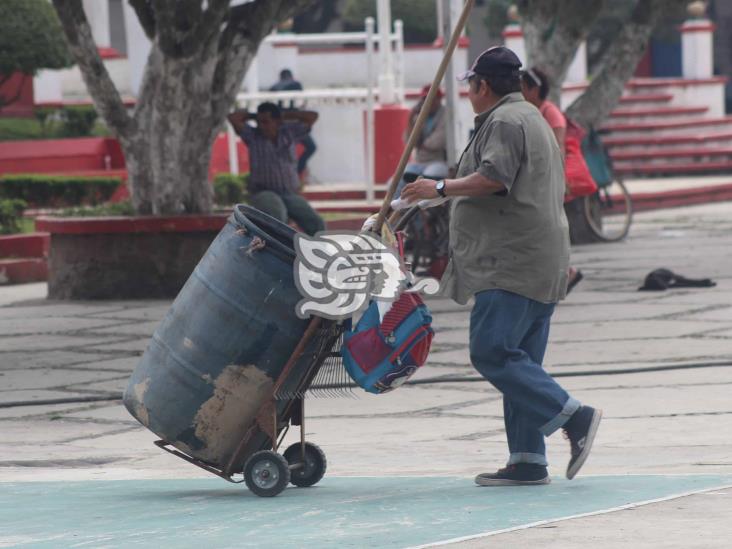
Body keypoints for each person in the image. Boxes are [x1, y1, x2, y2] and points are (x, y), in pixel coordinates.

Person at [401, 46, 602, 486]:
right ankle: (528, 459)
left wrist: (439, 187)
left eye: (471, 86)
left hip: (510, 260)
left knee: (492, 351)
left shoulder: (508, 121)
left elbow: (494, 179)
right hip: (538, 257)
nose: (469, 94)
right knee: (520, 360)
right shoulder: (530, 116)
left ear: (482, 86)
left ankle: (573, 416)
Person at [521, 67, 583, 293]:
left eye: (523, 87)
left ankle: (567, 273)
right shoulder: (530, 112)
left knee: (547, 233)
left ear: (534, 89)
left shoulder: (550, 113)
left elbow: (555, 151)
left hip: (548, 182)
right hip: (536, 182)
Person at [227, 102, 325, 236]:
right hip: (263, 192)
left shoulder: (289, 133)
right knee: (278, 213)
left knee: (316, 223)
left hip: (289, 194)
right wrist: (254, 116)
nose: (262, 126)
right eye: (259, 122)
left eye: (266, 122)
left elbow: (312, 116)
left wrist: (284, 115)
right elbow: (233, 117)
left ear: (278, 121)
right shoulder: (253, 136)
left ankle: (321, 253)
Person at [269, 69, 317, 179]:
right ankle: (297, 169)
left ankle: (290, 171)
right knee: (311, 147)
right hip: (295, 125)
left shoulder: (273, 88)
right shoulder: (296, 84)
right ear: (291, 76)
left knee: (286, 152)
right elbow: (301, 102)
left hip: (280, 127)